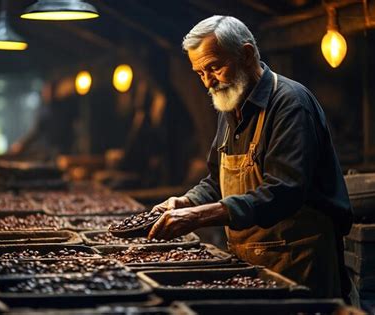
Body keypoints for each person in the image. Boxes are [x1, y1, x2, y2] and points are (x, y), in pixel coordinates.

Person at [148, 15, 353, 299]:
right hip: (252, 262)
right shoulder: (231, 104)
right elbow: (217, 179)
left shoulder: (291, 104)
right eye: (199, 73)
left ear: (246, 55)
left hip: (297, 262)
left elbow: (284, 191)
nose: (208, 82)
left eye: (214, 68)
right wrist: (187, 201)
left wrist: (198, 216)